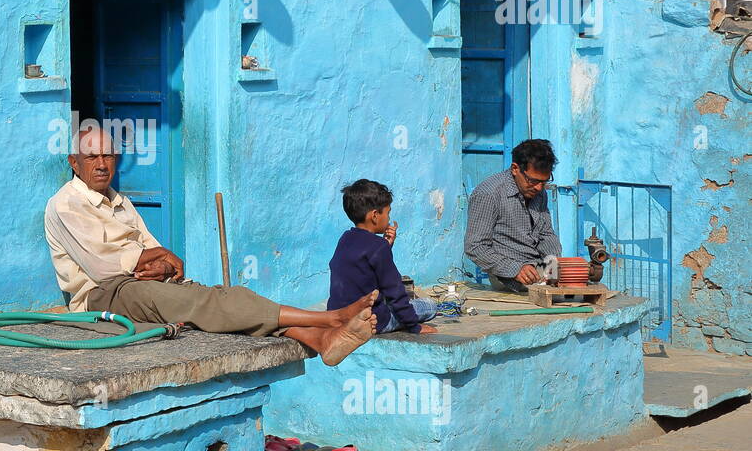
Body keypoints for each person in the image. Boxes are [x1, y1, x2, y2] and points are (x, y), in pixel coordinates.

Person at [43, 125, 378, 366]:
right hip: (103, 295)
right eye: (91, 157)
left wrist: (159, 263)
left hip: (136, 285)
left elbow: (151, 250)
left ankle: (320, 341)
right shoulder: (66, 204)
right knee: (203, 304)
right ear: (74, 162)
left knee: (221, 299)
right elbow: (104, 269)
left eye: (108, 155)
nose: (101, 164)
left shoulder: (120, 201)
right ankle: (330, 319)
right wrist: (155, 257)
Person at [328, 179, 438, 334]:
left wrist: (386, 246)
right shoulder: (378, 247)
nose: (388, 218)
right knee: (429, 305)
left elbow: (367, 269)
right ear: (374, 215)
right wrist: (414, 326)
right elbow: (394, 291)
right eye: (388, 212)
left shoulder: (345, 239)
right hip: (374, 322)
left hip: (340, 319)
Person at [464, 139, 562, 293]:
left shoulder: (540, 192)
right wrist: (516, 269)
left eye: (544, 182)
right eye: (533, 181)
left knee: (579, 283)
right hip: (507, 276)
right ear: (515, 168)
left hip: (538, 269)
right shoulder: (489, 193)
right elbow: (475, 246)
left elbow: (546, 234)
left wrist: (553, 263)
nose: (538, 187)